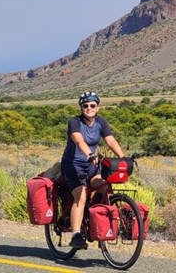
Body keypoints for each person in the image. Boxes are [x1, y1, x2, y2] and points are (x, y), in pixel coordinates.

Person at [60, 91, 125, 248]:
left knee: (105, 187)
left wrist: (123, 158)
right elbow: (78, 139)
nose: (89, 108)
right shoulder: (74, 122)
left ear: (98, 107)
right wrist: (89, 154)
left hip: (91, 166)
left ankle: (92, 218)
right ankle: (76, 234)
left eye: (92, 105)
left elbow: (110, 140)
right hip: (72, 165)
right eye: (85, 106)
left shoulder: (101, 122)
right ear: (81, 107)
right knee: (81, 195)